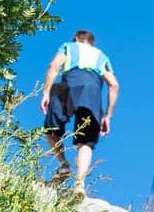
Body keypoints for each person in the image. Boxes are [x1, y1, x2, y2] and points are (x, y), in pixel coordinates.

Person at [40, 30, 120, 196]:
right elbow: (114, 85)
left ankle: (63, 165)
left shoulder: (68, 46)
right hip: (92, 92)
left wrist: (46, 92)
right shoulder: (101, 56)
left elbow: (53, 66)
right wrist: (108, 116)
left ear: (76, 38)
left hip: (70, 83)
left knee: (51, 128)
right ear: (91, 42)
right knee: (86, 142)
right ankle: (79, 185)